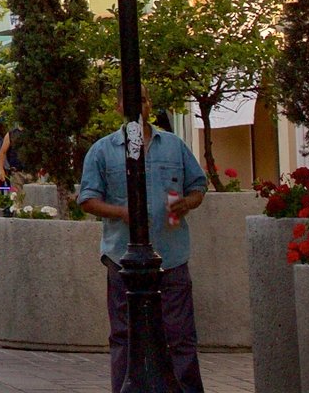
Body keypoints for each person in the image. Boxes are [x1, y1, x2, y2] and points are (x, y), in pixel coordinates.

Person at [76, 96, 209, 393]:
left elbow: (198, 186)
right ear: (117, 107)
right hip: (122, 256)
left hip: (171, 254)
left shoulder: (174, 145)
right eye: (129, 100)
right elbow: (87, 200)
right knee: (124, 334)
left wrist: (186, 203)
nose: (137, 105)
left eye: (143, 99)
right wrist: (123, 213)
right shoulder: (103, 150)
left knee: (180, 334)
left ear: (150, 105)